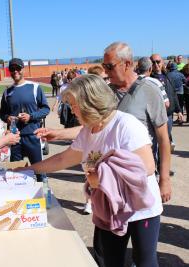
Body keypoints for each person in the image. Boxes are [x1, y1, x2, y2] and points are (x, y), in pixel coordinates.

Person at [25, 75, 162, 267]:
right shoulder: (88, 130)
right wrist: (28, 169)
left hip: (140, 209)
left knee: (144, 262)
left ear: (90, 102)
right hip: (108, 208)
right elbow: (64, 159)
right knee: (110, 260)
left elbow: (147, 166)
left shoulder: (126, 125)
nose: (71, 110)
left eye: (74, 105)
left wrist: (103, 177)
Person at [102, 42, 171, 203]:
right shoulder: (105, 92)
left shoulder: (149, 90)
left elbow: (163, 139)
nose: (106, 71)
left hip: (141, 179)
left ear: (127, 64)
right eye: (103, 66)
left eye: (110, 66)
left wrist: (165, 179)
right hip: (111, 180)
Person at [0, 58, 50, 181]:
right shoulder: (7, 92)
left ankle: (43, 196)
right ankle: (20, 197)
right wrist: (8, 118)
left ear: (23, 69)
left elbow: (45, 109)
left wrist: (30, 116)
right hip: (14, 138)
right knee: (16, 173)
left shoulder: (34, 87)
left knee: (39, 171)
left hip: (33, 135)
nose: (15, 71)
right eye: (12, 69)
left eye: (18, 68)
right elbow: (2, 113)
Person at [151, 53, 183, 154]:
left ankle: (163, 168)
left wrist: (179, 111)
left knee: (165, 142)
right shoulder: (149, 79)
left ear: (162, 62)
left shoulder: (168, 77)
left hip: (168, 115)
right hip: (155, 117)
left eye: (158, 61)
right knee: (155, 144)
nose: (156, 64)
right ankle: (155, 168)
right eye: (153, 62)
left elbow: (173, 94)